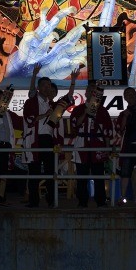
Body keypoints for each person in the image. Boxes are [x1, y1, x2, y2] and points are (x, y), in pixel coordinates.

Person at [21, 65, 79, 208]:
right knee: (34, 171)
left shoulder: (53, 104)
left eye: (49, 86)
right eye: (45, 86)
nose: (48, 88)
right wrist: (34, 75)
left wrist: (72, 81)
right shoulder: (32, 101)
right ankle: (34, 201)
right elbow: (29, 117)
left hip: (47, 139)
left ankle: (52, 200)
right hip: (34, 139)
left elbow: (69, 98)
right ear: (39, 87)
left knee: (50, 171)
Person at [69, 82, 115, 207]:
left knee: (99, 175)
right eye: (90, 90)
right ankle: (82, 201)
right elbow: (74, 125)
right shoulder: (78, 109)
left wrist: (107, 148)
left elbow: (107, 131)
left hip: (97, 145)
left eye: (94, 91)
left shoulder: (103, 111)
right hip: (82, 144)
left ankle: (100, 200)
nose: (92, 93)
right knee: (82, 175)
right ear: (86, 93)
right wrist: (86, 112)